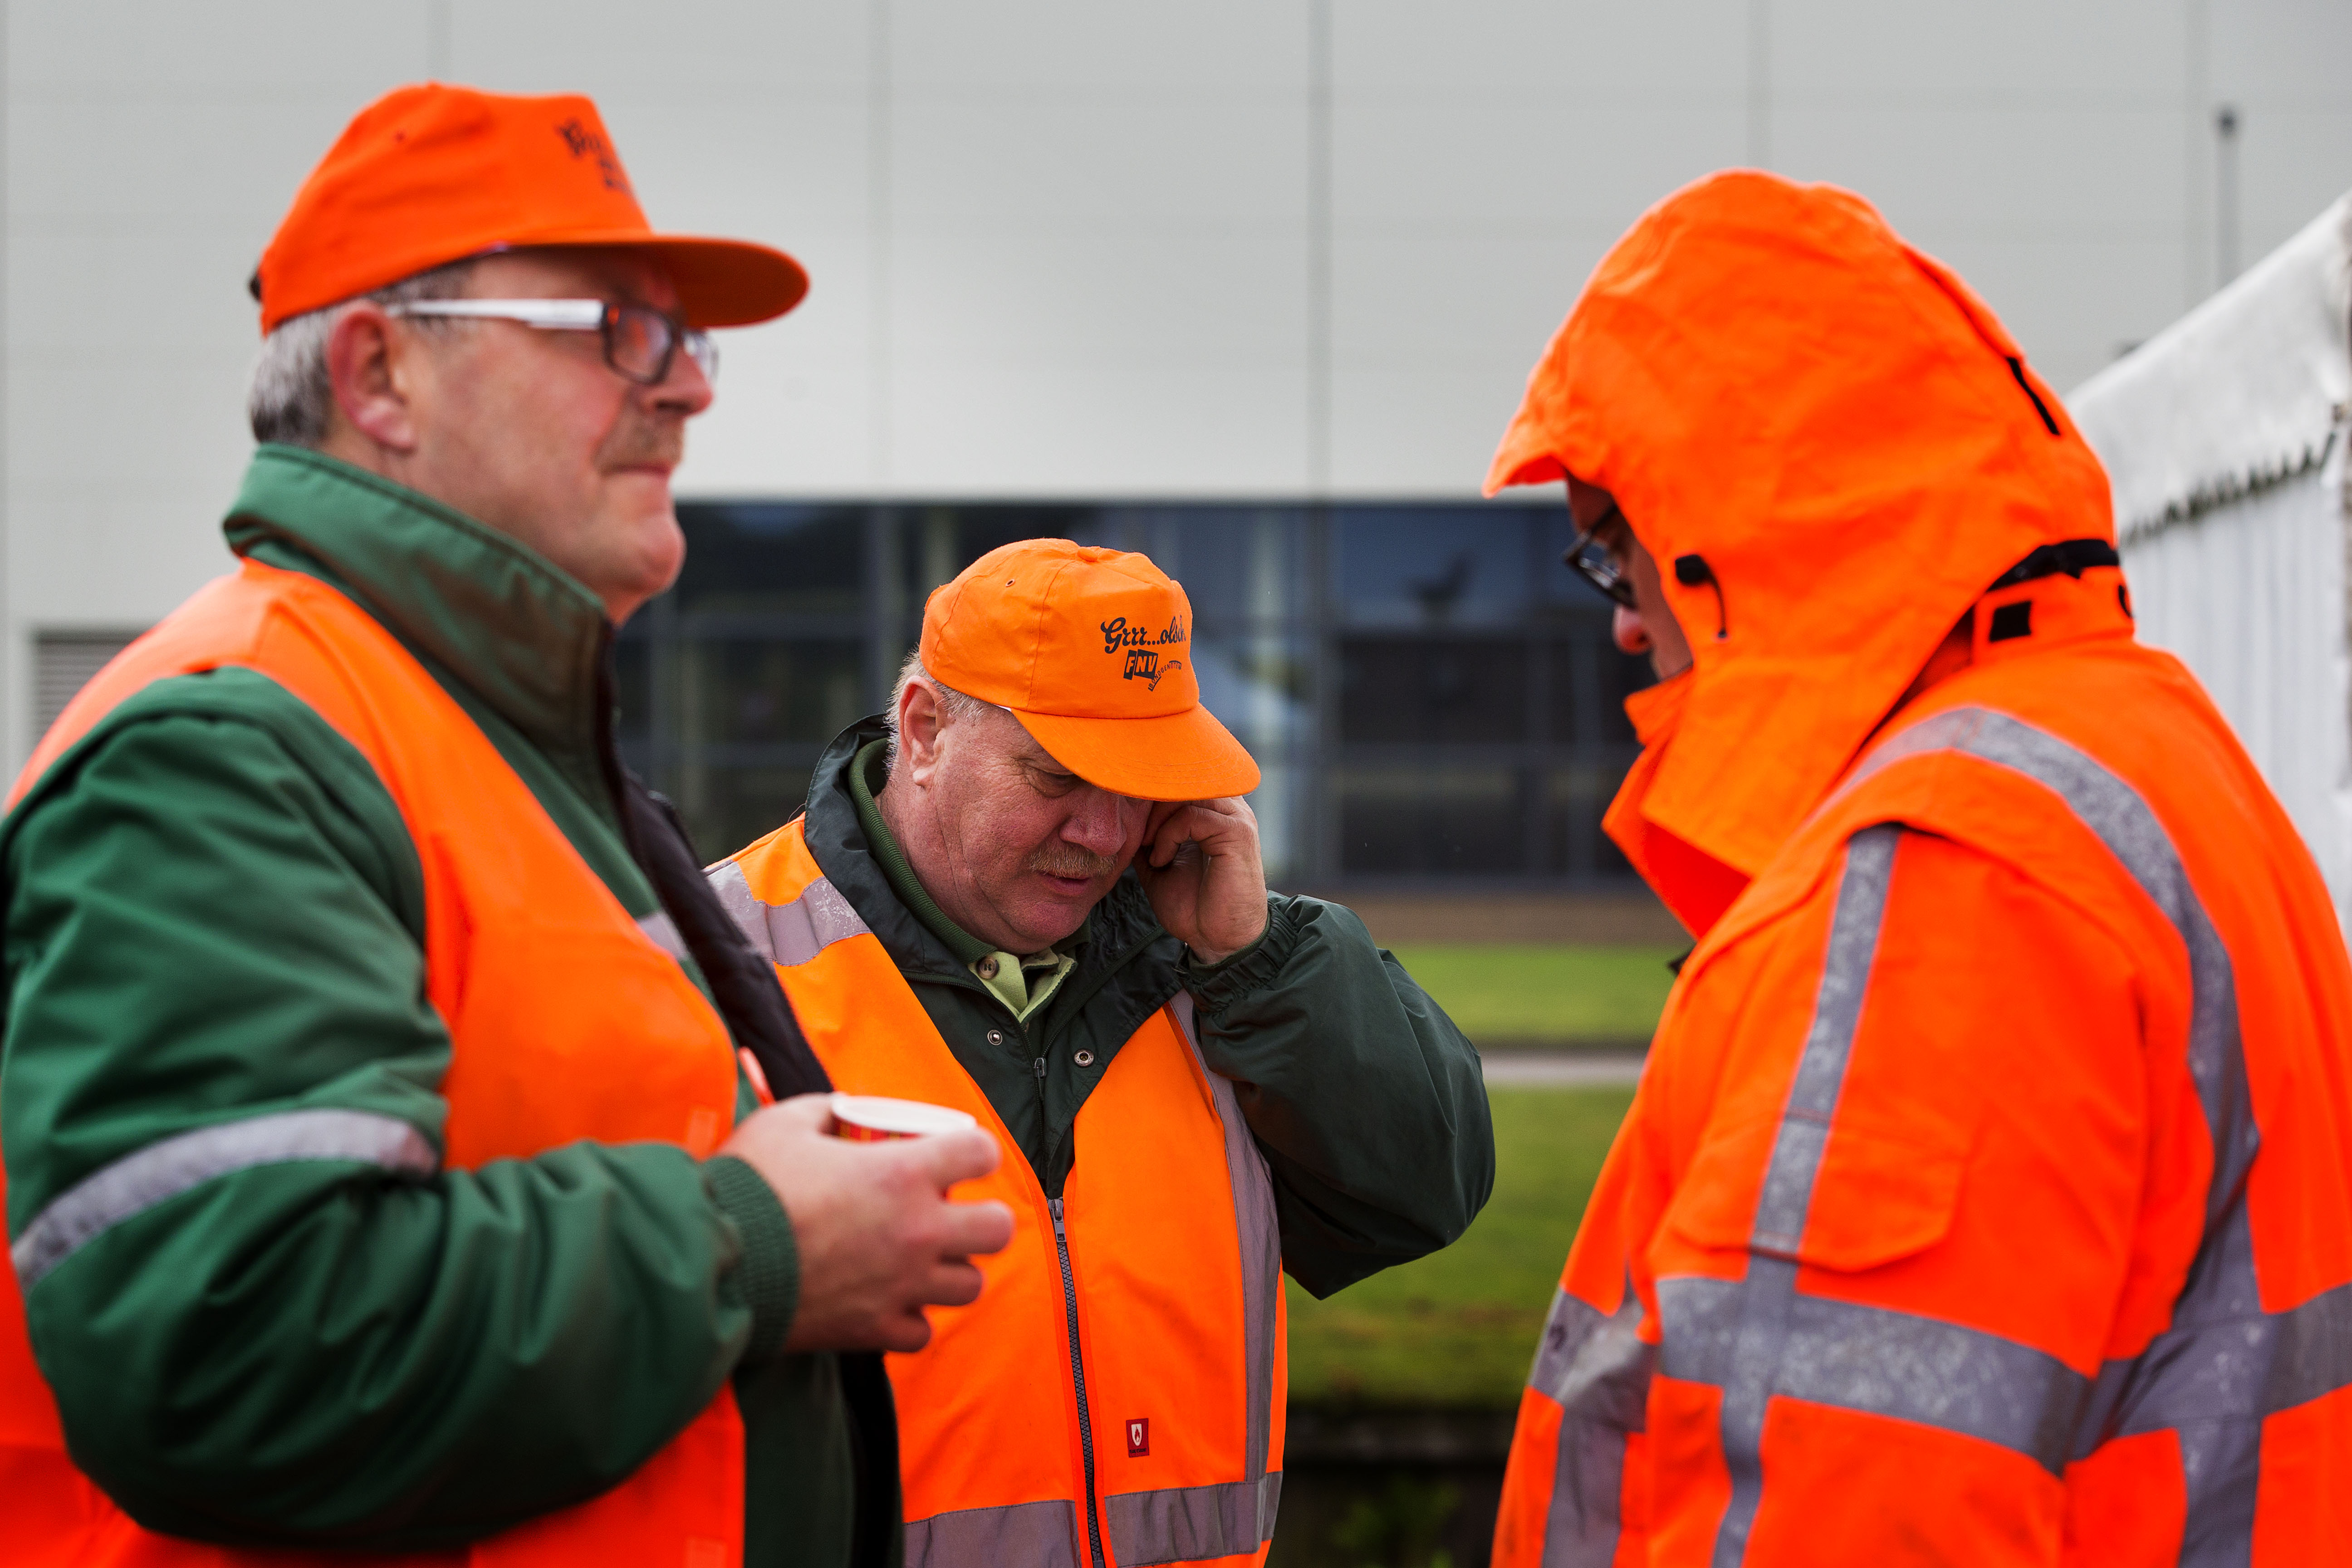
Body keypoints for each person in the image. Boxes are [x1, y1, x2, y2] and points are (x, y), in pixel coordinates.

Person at [0, 83, 1013, 1567]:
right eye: (612, 329)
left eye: (684, 339)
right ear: (380, 374)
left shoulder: (479, 732)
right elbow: (235, 1349)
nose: (688, 390)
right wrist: (751, 1240)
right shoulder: (231, 747)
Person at [1484, 172, 2352, 1565]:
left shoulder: (1947, 876)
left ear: (1734, 533)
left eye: (1615, 549)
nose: (1627, 628)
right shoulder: (2152, 755)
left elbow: (1849, 1499)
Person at [710, 539, 1496, 1567]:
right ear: (925, 730)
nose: (1106, 831)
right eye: (1059, 777)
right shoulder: (712, 962)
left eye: (1143, 783)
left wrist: (1256, 964)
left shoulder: (1217, 955)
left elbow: (1422, 1191)